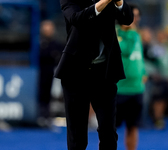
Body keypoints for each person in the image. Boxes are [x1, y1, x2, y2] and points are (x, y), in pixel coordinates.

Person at [54, 0, 133, 149]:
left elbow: (127, 19)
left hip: (105, 74)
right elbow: (77, 19)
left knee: (108, 131)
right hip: (75, 74)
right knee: (77, 134)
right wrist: (104, 2)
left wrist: (119, 2)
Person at [115, 4, 146, 150]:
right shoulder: (115, 33)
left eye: (137, 16)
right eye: (132, 15)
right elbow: (125, 51)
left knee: (133, 127)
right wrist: (131, 33)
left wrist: (143, 73)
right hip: (118, 89)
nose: (135, 19)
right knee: (109, 130)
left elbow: (138, 57)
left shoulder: (136, 34)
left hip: (136, 89)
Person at [38, 20, 63, 127]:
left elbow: (58, 55)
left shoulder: (56, 43)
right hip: (38, 73)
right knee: (40, 94)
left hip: (51, 73)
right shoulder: (38, 42)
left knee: (48, 94)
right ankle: (39, 115)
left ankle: (46, 116)